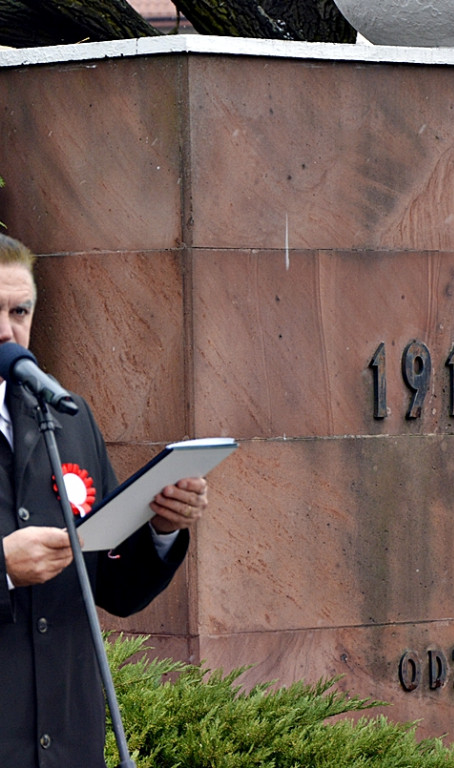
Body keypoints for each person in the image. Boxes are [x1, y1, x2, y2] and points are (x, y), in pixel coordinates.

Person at [0, 234, 208, 767]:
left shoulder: (65, 417)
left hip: (67, 739)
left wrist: (159, 529)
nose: (7, 330)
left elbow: (114, 585)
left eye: (19, 310)